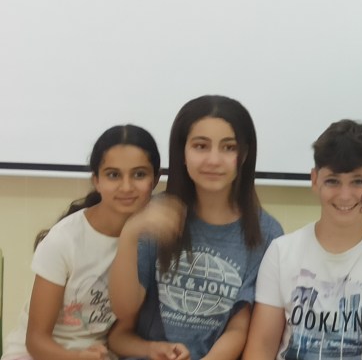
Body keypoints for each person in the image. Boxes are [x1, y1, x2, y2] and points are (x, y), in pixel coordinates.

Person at [108, 95, 284, 360]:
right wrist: (131, 233)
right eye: (201, 146)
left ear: (245, 154)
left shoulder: (266, 233)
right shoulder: (156, 215)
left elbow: (239, 328)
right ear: (182, 152)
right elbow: (124, 312)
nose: (213, 160)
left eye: (228, 148)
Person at [243, 120, 362, 359]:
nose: (345, 195)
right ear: (315, 180)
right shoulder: (281, 252)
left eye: (358, 181)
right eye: (333, 181)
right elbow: (260, 349)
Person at [1, 125, 160, 360]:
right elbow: (36, 341)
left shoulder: (152, 238)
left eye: (139, 175)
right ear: (96, 180)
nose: (126, 187)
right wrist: (76, 357)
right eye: (113, 175)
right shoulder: (65, 239)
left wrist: (152, 349)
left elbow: (120, 335)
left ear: (155, 179)